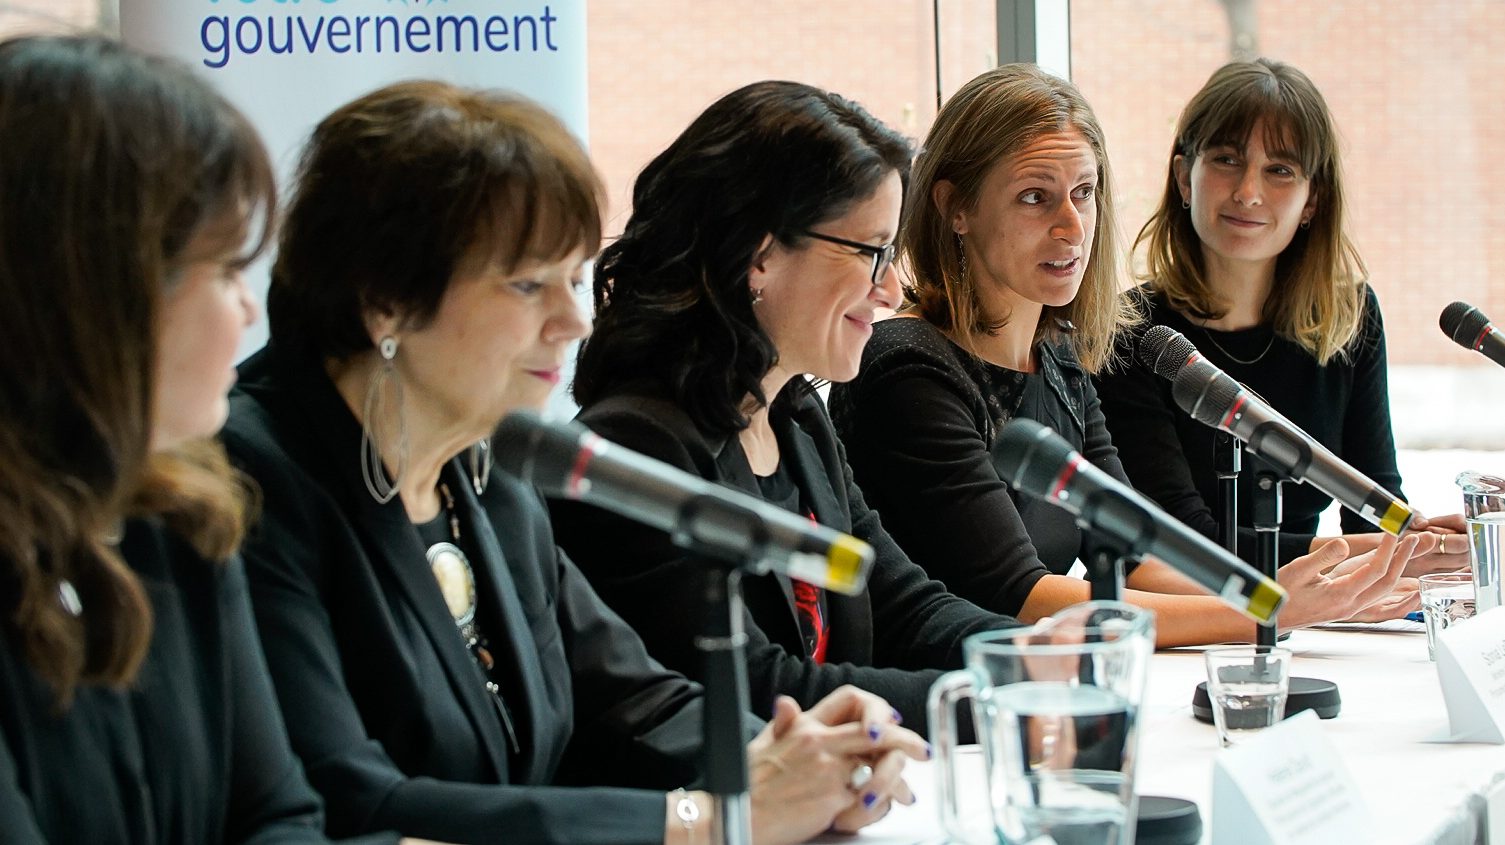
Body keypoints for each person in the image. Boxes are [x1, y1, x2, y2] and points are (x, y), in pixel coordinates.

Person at [222, 80, 923, 845]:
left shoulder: (488, 469)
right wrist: (703, 820)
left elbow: (635, 698)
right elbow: (348, 800)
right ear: (385, 297)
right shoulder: (253, 485)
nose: (572, 320)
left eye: (573, 278)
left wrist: (799, 761)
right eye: (529, 284)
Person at [824, 64, 1422, 647]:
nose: (1072, 228)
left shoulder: (1058, 359)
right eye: (1035, 197)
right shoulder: (909, 366)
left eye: (1083, 195)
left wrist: (1316, 586)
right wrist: (1268, 613)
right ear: (957, 207)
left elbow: (1142, 557)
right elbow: (1023, 596)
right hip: (933, 710)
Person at [554, 80, 1022, 732]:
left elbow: (901, 604)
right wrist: (1002, 698)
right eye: (871, 252)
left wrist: (1027, 652)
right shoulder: (636, 447)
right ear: (760, 256)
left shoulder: (796, 416)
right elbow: (759, 690)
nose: (890, 288)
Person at [0, 34, 359, 843]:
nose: (250, 313)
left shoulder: (180, 528)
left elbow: (278, 814)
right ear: (103, 289)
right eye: (229, 270)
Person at [1092, 58, 1466, 574]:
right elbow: (1181, 543)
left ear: (1313, 199)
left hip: (1307, 613)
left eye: (1280, 170)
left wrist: (1423, 544)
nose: (1248, 191)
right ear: (1184, 176)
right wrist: (1380, 555)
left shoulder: (1350, 316)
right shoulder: (1132, 333)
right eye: (1225, 159)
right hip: (1178, 625)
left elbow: (1373, 512)